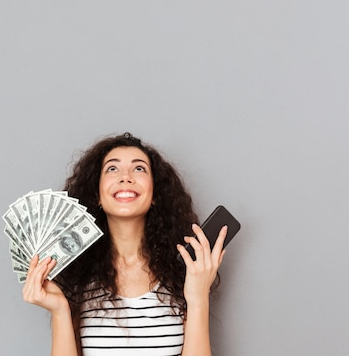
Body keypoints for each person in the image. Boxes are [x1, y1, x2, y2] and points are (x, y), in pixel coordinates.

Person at [23, 132, 228, 356]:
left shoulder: (183, 271)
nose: (125, 177)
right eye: (112, 168)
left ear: (155, 194)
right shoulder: (76, 277)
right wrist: (60, 310)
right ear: (97, 196)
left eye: (139, 168)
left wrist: (198, 298)